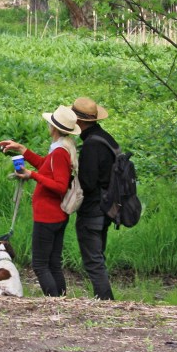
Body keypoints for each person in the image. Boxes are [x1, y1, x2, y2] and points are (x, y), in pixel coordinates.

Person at [0, 105, 80, 297]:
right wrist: (22, 149)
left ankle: (54, 301)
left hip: (48, 216)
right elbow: (45, 165)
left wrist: (32, 175)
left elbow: (59, 185)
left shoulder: (60, 152)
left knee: (40, 264)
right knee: (53, 263)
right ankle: (61, 300)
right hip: (55, 214)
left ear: (54, 128)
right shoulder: (61, 148)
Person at [71, 96, 119, 300]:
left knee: (93, 261)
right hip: (108, 207)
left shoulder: (91, 145)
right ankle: (105, 300)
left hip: (93, 210)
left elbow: (88, 183)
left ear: (79, 122)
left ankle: (106, 302)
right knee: (98, 257)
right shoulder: (107, 139)